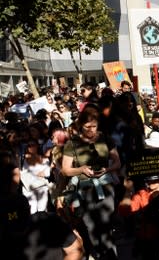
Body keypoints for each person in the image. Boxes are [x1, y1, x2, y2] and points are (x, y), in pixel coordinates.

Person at [61, 107, 120, 259]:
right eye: (88, 127)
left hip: (105, 187)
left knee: (106, 225)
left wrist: (107, 169)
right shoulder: (72, 143)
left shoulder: (105, 138)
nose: (91, 130)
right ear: (81, 125)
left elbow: (117, 162)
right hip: (85, 190)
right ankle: (100, 255)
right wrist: (80, 169)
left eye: (94, 126)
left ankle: (111, 256)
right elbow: (65, 170)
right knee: (92, 227)